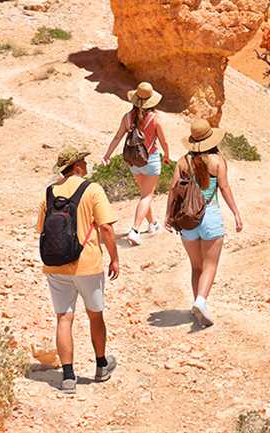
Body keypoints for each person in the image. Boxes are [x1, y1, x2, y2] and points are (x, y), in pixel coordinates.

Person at [35, 146, 120, 394]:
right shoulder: (92, 190)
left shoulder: (49, 193)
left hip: (56, 264)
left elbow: (42, 230)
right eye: (84, 161)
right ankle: (101, 365)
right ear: (77, 166)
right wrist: (114, 258)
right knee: (95, 315)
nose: (86, 164)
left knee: (64, 318)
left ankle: (68, 377)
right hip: (88, 265)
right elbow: (106, 228)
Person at [166, 119, 243, 328]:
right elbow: (225, 189)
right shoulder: (218, 161)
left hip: (187, 220)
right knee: (210, 265)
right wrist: (236, 213)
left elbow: (173, 191)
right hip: (210, 216)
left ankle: (197, 306)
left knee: (196, 266)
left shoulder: (183, 162)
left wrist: (168, 217)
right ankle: (201, 301)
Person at [104, 81, 171, 245]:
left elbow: (118, 137)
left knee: (144, 195)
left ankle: (153, 224)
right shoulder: (155, 119)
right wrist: (167, 156)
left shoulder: (127, 117)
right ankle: (134, 230)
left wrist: (107, 155)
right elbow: (164, 142)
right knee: (147, 196)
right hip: (151, 159)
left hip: (134, 161)